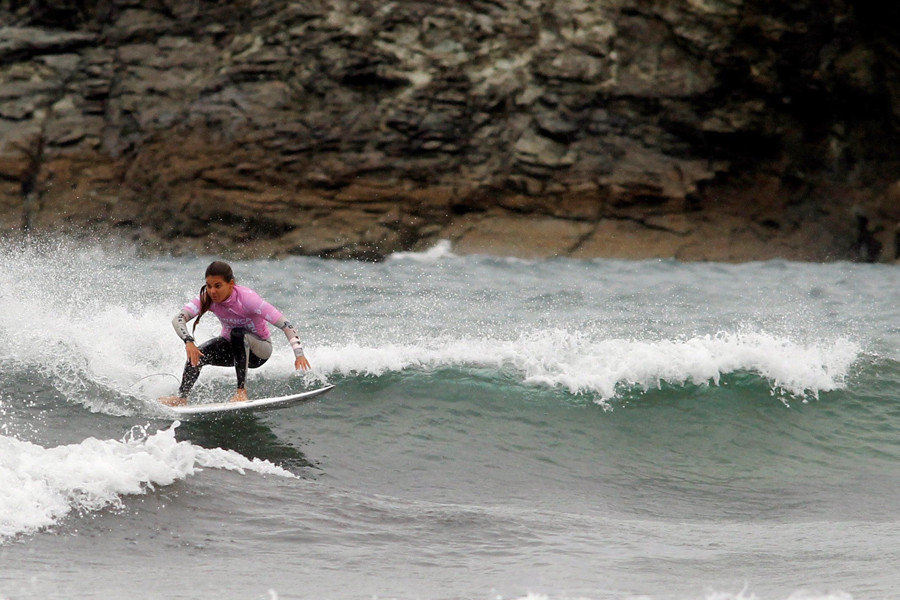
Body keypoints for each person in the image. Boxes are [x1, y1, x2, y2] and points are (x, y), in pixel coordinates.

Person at [159, 261, 310, 406]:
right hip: (234, 350)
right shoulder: (208, 298)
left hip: (259, 352)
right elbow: (178, 319)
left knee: (237, 334)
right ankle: (181, 398)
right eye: (209, 286)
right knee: (198, 354)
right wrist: (189, 341)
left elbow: (286, 325)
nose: (212, 291)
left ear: (231, 284)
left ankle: (241, 392)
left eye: (218, 286)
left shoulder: (248, 299)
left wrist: (299, 354)